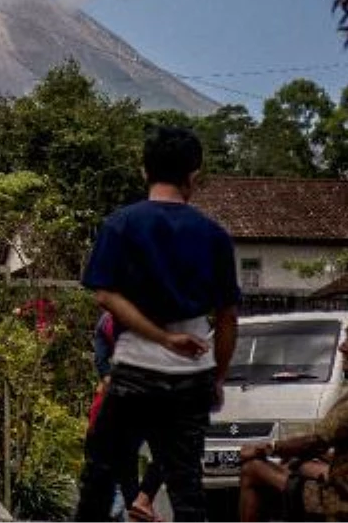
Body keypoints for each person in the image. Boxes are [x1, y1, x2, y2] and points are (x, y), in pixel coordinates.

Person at [75, 125, 241, 523]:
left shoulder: (121, 224)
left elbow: (104, 295)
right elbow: (228, 317)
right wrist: (216, 378)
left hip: (134, 371)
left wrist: (160, 337)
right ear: (194, 175)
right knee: (187, 488)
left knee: (99, 475)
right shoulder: (214, 235)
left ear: (143, 169)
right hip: (192, 375)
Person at [238, 320, 348, 523]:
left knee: (252, 469)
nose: (343, 348)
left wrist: (267, 449)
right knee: (297, 465)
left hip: (341, 500)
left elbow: (315, 440)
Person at [89, 311, 164, 522]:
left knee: (128, 458)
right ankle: (141, 502)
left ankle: (137, 505)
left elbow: (102, 365)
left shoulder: (107, 320)